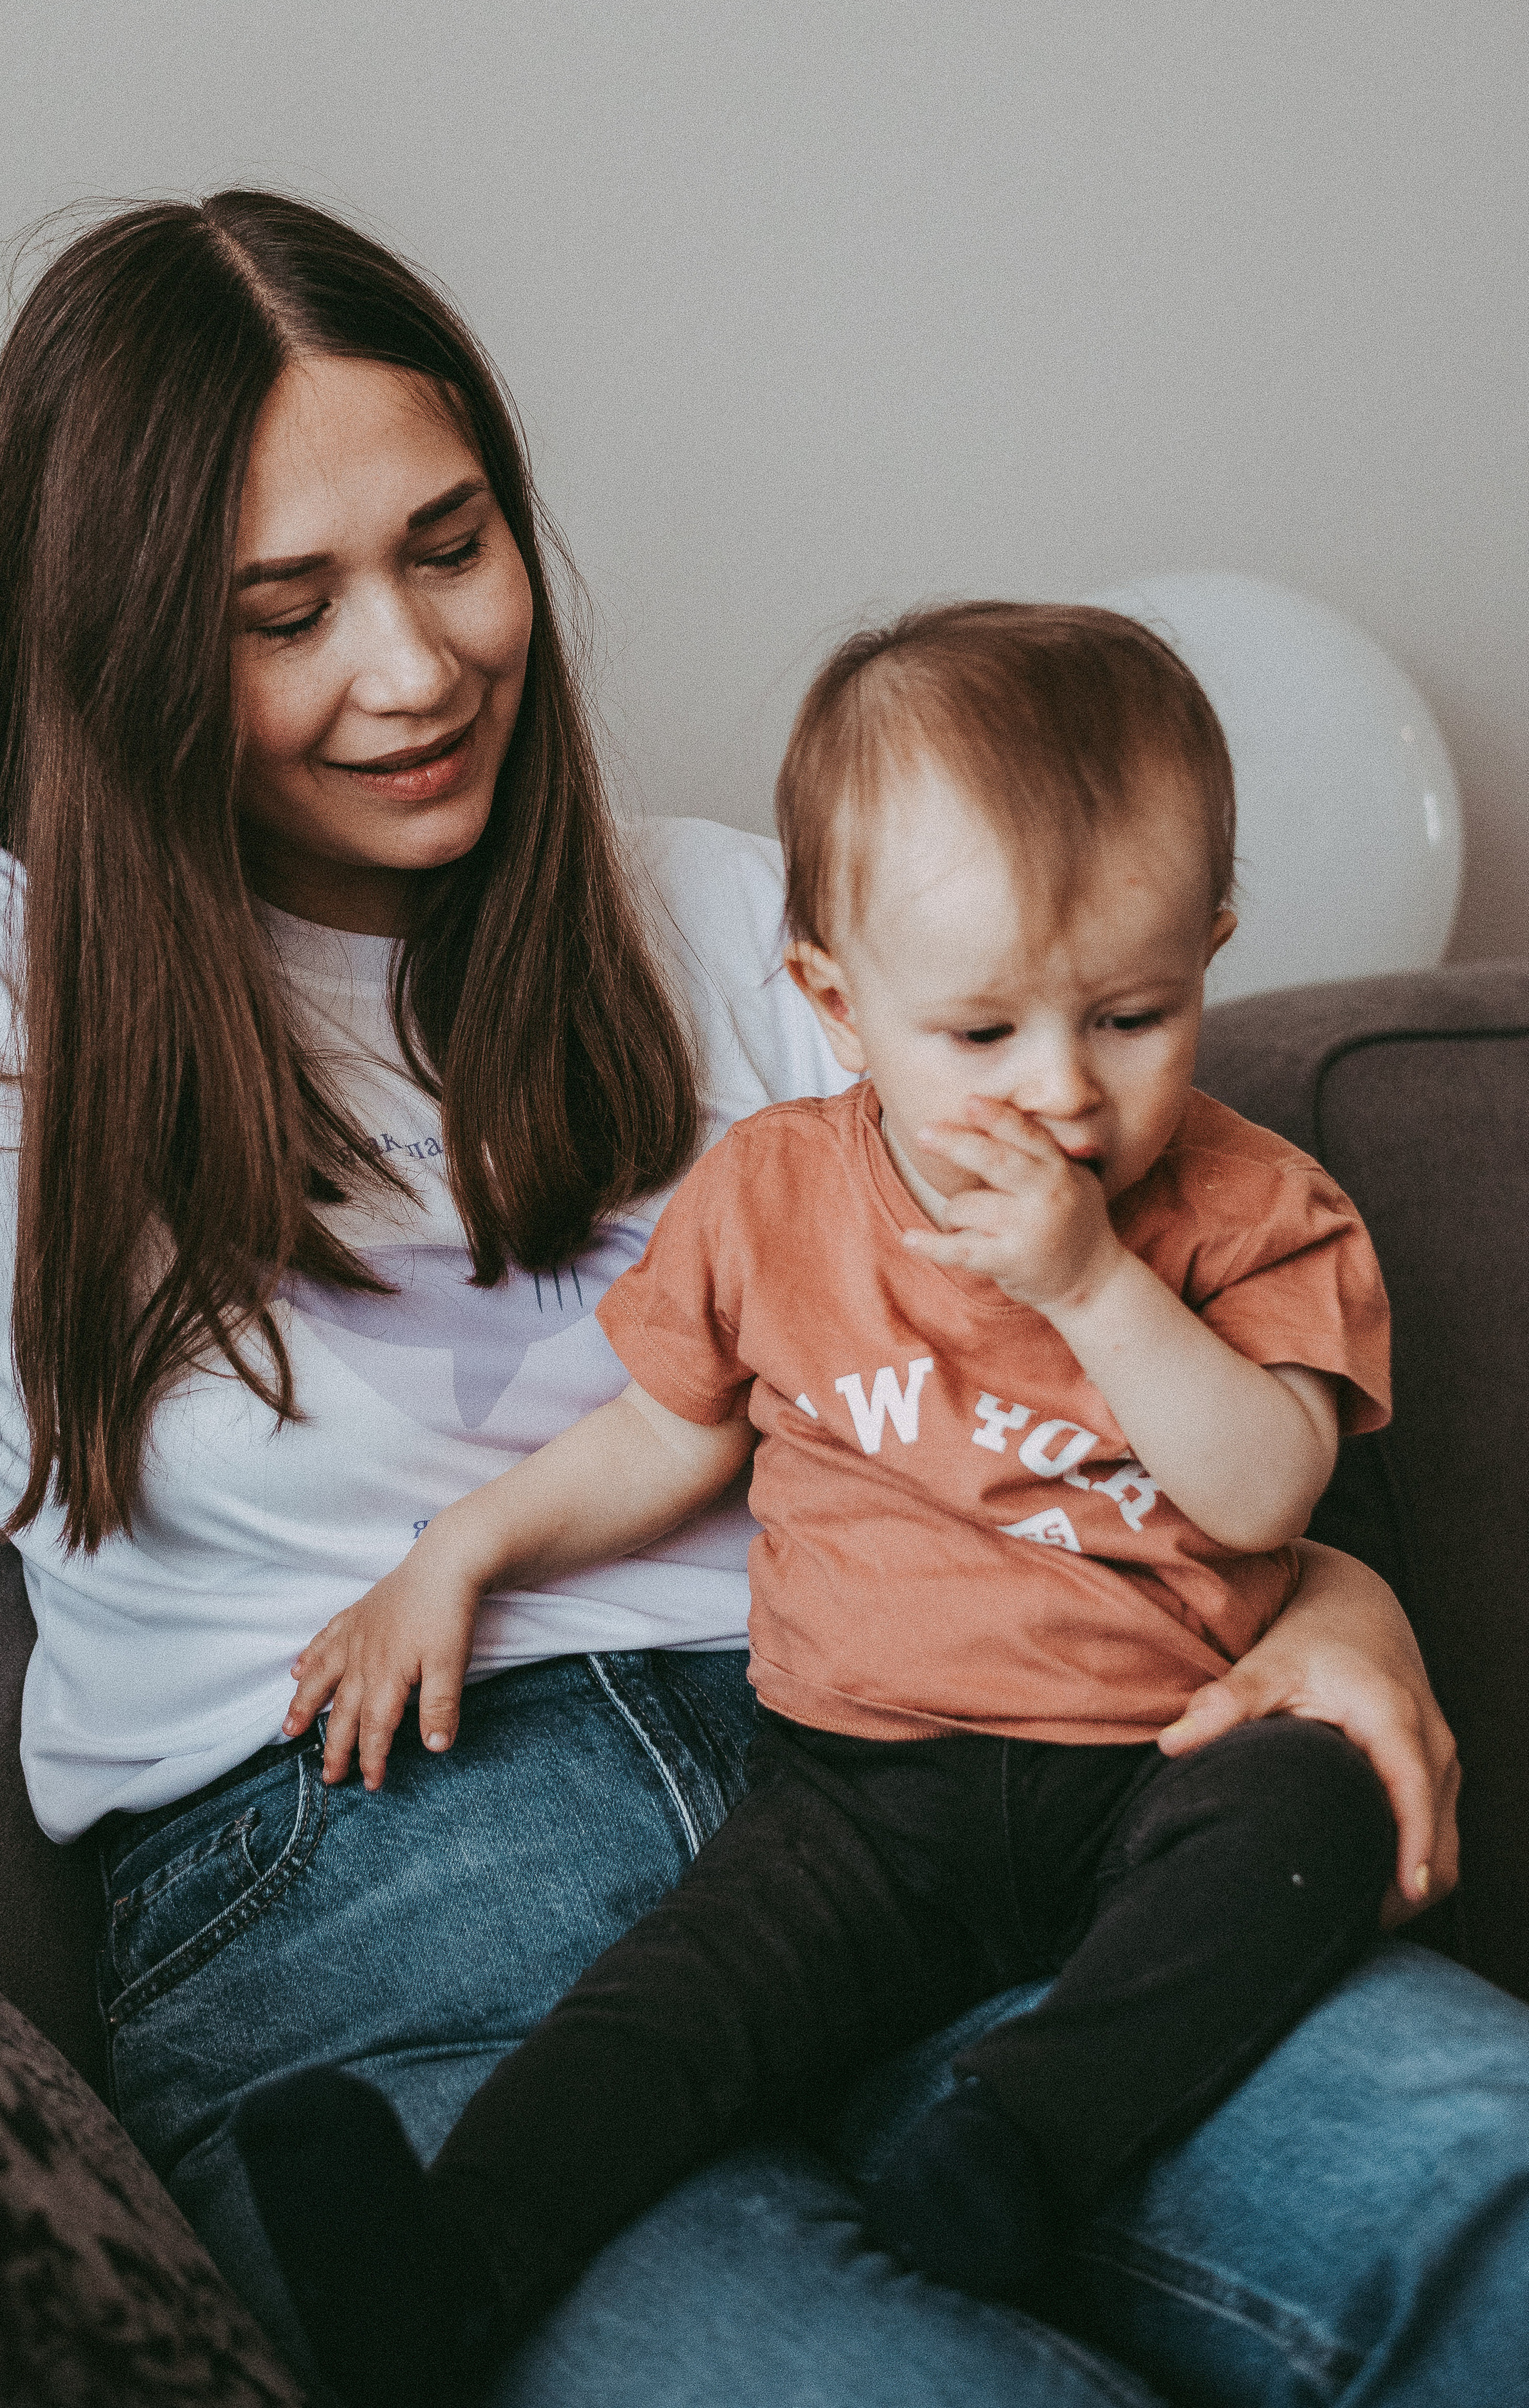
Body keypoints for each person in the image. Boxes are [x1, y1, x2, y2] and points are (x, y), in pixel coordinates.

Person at [0, 190, 1518, 2408]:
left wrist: (1340, 1598)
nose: (415, 664)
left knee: (1478, 2187)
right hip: (384, 1899)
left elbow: (1146, 1329)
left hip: (939, 1807)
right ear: (116, 641)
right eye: (285, 609)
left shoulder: (769, 932)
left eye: (451, 548)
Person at [237, 603, 1400, 2404]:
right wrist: (453, 1552)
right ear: (834, 998)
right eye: (979, 1029)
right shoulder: (776, 1193)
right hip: (871, 1784)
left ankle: (1022, 2142)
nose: (1060, 1091)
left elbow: (1261, 1493)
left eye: (1130, 1014)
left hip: (1161, 1766)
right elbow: (664, 1436)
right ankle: (441, 2270)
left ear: (1209, 960)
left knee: (1315, 1821)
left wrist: (1096, 1286)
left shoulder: (1260, 1214)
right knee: (664, 2005)